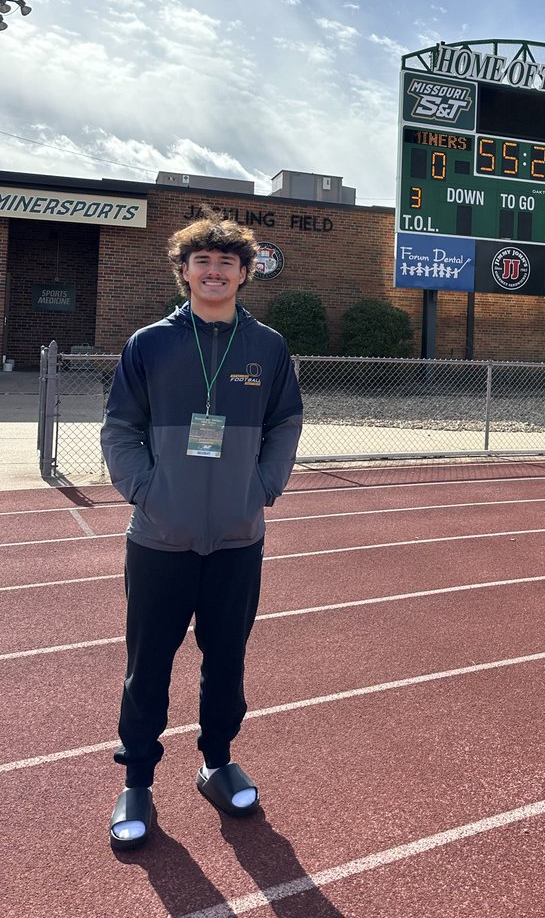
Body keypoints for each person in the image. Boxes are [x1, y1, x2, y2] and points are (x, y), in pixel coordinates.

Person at [101, 212, 303, 852]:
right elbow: (120, 430)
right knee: (148, 663)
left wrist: (263, 486)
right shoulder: (149, 345)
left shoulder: (267, 347)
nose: (214, 273)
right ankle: (137, 780)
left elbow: (286, 424)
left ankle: (216, 760)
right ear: (183, 271)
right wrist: (145, 490)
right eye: (202, 263)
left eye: (226, 264)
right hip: (160, 537)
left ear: (245, 274)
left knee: (228, 658)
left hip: (238, 539)